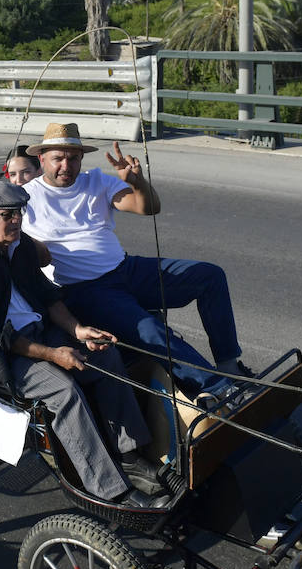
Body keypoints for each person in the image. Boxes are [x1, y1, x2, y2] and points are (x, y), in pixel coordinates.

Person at [0, 180, 169, 507]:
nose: (16, 221)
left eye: (19, 213)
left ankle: (129, 455)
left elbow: (49, 299)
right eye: (7, 215)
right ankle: (109, 491)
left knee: (105, 357)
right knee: (64, 391)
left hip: (36, 333)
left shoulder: (21, 247)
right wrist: (54, 355)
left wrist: (78, 331)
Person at [21, 122, 248, 397]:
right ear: (42, 159)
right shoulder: (27, 198)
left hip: (127, 269)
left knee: (210, 276)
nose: (65, 166)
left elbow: (149, 207)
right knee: (151, 331)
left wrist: (137, 182)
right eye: (58, 158)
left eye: (73, 158)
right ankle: (219, 390)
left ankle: (229, 367)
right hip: (86, 290)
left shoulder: (97, 181)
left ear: (81, 158)